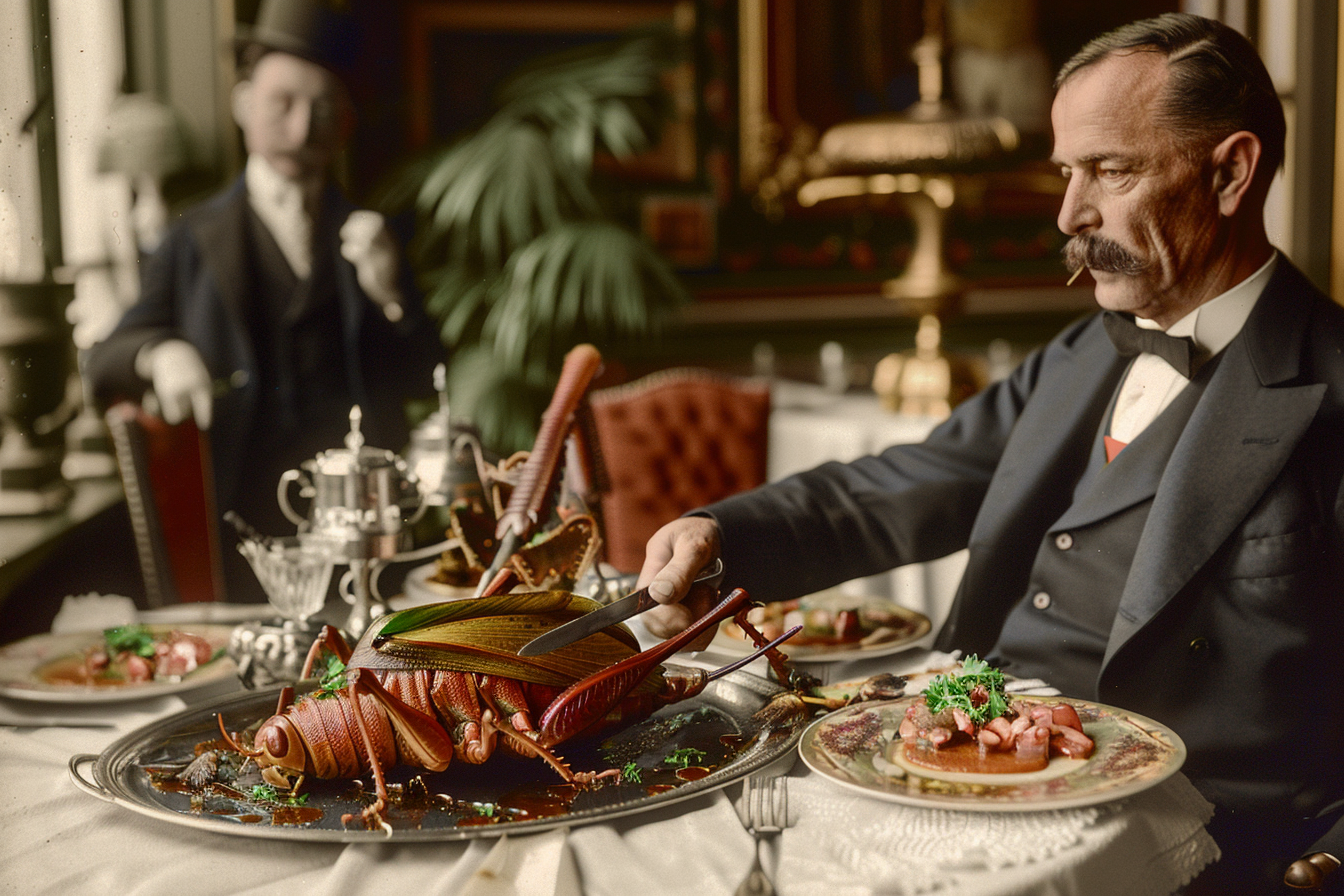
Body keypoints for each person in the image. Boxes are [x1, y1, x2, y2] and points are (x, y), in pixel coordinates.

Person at [635, 13, 1344, 894]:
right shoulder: (1087, 351)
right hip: (961, 769)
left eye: (1110, 171)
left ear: (1232, 171)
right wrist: (721, 536)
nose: (1069, 214)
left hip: (1186, 839)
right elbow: (907, 483)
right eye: (1066, 172)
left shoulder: (1335, 390)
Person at [86, 0, 443, 601]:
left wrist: (390, 295)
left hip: (361, 535)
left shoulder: (375, 233)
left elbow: (427, 375)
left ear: (347, 121)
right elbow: (104, 357)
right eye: (283, 103)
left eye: (324, 107)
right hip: (241, 524)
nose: (304, 127)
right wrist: (159, 350)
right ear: (243, 104)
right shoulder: (191, 239)